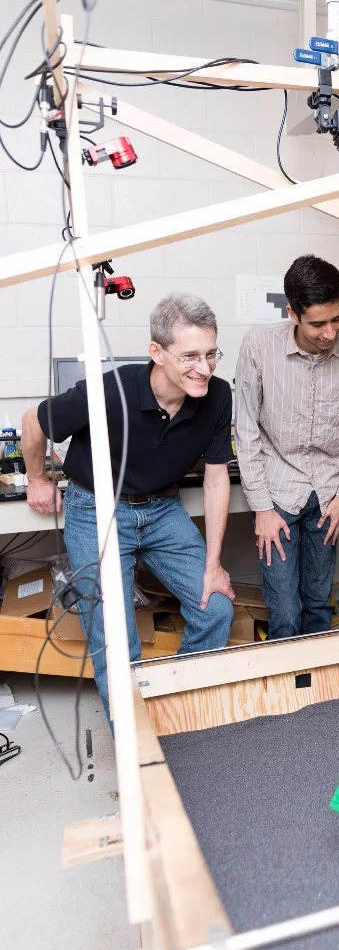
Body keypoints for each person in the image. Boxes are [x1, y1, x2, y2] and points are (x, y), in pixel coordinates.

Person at [22, 294, 235, 720]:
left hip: (162, 510)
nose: (205, 368)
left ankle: (177, 715)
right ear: (156, 352)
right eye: (190, 356)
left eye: (211, 354)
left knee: (216, 608)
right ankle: (136, 751)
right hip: (94, 508)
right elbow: (34, 421)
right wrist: (38, 478)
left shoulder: (217, 395)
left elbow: (216, 478)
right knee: (116, 640)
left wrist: (213, 564)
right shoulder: (112, 389)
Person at [235, 254, 339, 639]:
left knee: (318, 600)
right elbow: (245, 430)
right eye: (318, 323)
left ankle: (318, 692)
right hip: (277, 493)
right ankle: (287, 690)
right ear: (293, 313)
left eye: (337, 319)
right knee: (284, 607)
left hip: (329, 492)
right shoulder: (258, 347)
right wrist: (262, 508)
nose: (330, 332)